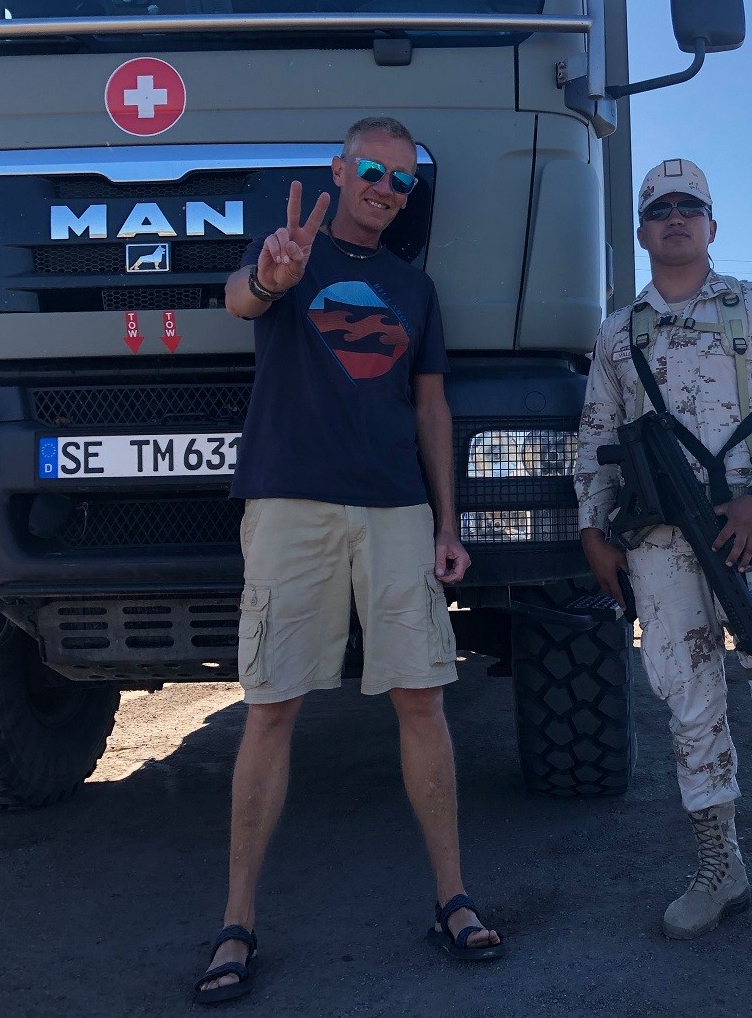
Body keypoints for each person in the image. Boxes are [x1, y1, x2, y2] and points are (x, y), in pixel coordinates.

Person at [194, 116, 503, 1004]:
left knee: (423, 698)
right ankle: (236, 922)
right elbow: (240, 299)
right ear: (339, 169)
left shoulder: (416, 287)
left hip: (397, 508)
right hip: (290, 500)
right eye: (372, 169)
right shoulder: (291, 252)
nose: (385, 188)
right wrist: (270, 273)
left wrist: (447, 522)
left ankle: (453, 898)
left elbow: (431, 408)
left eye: (403, 180)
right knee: (271, 706)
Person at [573, 159, 752, 963]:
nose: (675, 217)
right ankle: (719, 865)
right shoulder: (618, 332)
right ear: (641, 230)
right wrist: (593, 529)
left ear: (711, 223)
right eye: (659, 208)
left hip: (746, 530)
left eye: (689, 206)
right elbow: (594, 436)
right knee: (687, 697)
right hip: (658, 543)